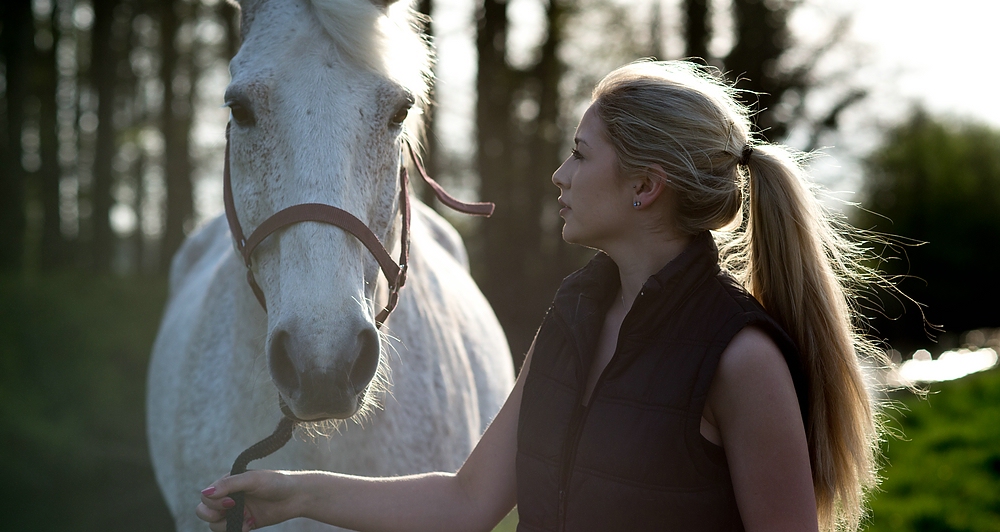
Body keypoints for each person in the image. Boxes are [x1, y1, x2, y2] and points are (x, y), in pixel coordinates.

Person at [198, 61, 883, 532]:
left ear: (644, 187)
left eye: (581, 155)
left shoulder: (740, 357)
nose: (560, 175)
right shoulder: (573, 318)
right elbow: (468, 503)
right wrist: (294, 493)